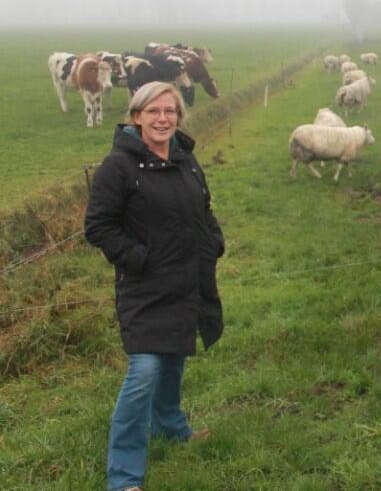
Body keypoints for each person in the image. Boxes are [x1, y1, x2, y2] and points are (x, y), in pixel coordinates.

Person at [84, 81, 224, 491]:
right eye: (153, 112)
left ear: (178, 116)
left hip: (187, 279)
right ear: (136, 117)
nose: (163, 119)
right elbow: (99, 227)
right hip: (144, 285)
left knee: (174, 356)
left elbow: (204, 207)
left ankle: (171, 427)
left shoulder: (185, 158)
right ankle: (124, 476)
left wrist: (214, 242)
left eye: (170, 111)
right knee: (145, 369)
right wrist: (140, 259)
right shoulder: (119, 167)